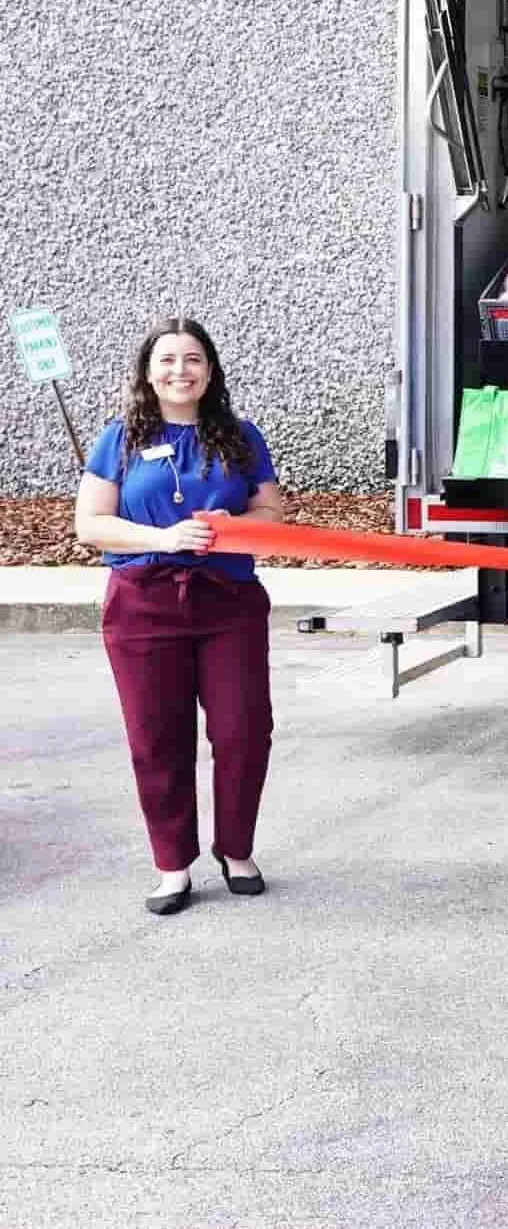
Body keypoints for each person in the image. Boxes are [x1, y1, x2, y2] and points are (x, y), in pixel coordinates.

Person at [72, 319, 287, 916]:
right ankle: (172, 865)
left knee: (244, 731)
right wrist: (163, 537)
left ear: (210, 372)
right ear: (148, 372)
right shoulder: (119, 439)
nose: (180, 371)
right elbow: (90, 524)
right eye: (167, 360)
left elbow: (271, 511)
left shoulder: (241, 436)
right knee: (157, 739)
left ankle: (237, 850)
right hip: (143, 600)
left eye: (193, 359)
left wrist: (233, 530)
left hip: (228, 599)